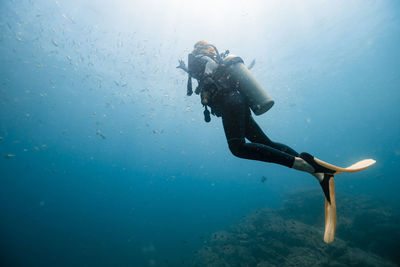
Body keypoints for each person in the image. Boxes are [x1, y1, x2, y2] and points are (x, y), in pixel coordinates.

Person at [177, 41, 335, 203]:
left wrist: (201, 80)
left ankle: (306, 165)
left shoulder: (201, 59)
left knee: (238, 148)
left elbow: (208, 75)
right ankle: (316, 171)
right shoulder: (212, 60)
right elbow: (209, 75)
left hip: (230, 103)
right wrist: (188, 71)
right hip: (237, 101)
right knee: (264, 142)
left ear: (197, 50)